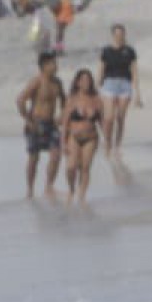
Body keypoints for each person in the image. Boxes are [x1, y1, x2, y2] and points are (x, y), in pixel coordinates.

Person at [17, 51, 64, 201]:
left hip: (51, 124)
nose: (56, 66)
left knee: (56, 154)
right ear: (44, 66)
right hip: (36, 124)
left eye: (56, 63)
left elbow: (65, 102)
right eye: (53, 64)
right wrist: (28, 120)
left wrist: (61, 117)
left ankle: (49, 186)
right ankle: (30, 189)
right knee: (34, 158)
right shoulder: (36, 82)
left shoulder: (57, 83)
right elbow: (20, 100)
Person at [59, 69, 103, 208]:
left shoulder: (96, 99)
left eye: (88, 80)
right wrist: (63, 143)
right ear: (77, 82)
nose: (86, 82)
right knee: (71, 167)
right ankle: (71, 190)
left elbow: (102, 122)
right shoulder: (72, 99)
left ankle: (82, 196)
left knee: (85, 167)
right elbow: (65, 123)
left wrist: (108, 141)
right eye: (83, 80)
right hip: (74, 137)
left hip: (91, 138)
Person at [99, 24, 141, 157]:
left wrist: (137, 94)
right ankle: (107, 142)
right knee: (109, 117)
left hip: (125, 85)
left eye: (121, 34)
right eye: (117, 34)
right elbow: (101, 70)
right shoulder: (106, 51)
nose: (119, 36)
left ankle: (117, 145)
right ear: (113, 35)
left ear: (124, 35)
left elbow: (134, 72)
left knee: (120, 118)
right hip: (109, 83)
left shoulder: (130, 51)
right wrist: (97, 87)